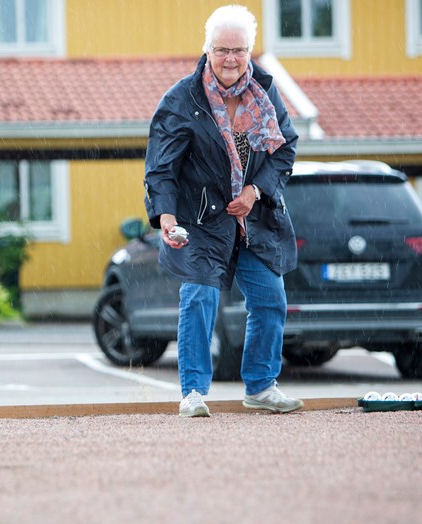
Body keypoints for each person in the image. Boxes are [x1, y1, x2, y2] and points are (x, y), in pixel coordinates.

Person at [144, 4, 302, 417]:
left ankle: (261, 387)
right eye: (222, 49)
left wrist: (255, 190)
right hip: (200, 220)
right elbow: (160, 167)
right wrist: (165, 216)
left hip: (253, 218)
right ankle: (193, 393)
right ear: (207, 49)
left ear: (249, 51)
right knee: (199, 298)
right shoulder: (181, 99)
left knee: (270, 299)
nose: (230, 58)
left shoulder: (265, 92)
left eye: (239, 50)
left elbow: (284, 149)